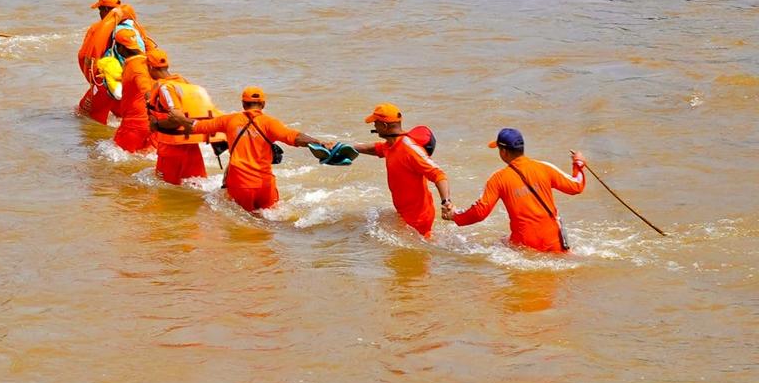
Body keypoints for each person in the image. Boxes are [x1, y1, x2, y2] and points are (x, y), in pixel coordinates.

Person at [172, 86, 329, 213]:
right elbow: (295, 137)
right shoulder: (270, 123)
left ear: (243, 104)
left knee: (242, 226)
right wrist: (318, 142)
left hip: (240, 184)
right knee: (270, 222)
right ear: (263, 104)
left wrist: (177, 117)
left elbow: (197, 126)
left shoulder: (229, 120)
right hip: (265, 185)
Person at [442, 128, 586, 253]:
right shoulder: (544, 167)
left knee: (499, 243)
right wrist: (578, 163)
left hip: (525, 244)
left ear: (503, 151)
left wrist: (455, 215)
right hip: (554, 240)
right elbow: (576, 186)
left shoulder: (498, 179)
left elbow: (480, 212)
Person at [353, 103, 451, 238]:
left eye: (376, 123)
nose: (374, 126)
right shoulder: (391, 145)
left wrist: (446, 201)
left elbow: (438, 174)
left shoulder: (409, 149)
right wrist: (347, 148)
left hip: (419, 218)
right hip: (404, 212)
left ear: (385, 126)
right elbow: (374, 149)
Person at [77, 0, 157, 124]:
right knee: (124, 115)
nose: (99, 13)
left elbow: (88, 54)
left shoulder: (99, 29)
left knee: (85, 115)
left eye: (100, 10)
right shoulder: (135, 29)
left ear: (106, 10)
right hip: (130, 81)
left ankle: (99, 142)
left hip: (106, 82)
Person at [145, 48, 212, 185]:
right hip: (191, 146)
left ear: (150, 67)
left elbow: (177, 119)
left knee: (164, 191)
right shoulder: (183, 82)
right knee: (196, 187)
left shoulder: (165, 88)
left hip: (171, 148)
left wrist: (156, 124)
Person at [112, 29, 156, 153]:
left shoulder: (136, 67)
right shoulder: (144, 59)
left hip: (135, 124)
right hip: (146, 122)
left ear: (121, 47)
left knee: (116, 160)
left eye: (116, 45)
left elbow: (146, 90)